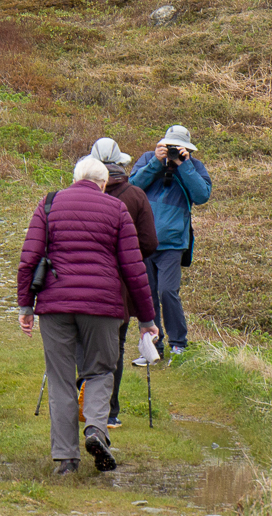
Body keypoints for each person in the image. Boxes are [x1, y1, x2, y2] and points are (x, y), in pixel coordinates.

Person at [18, 157, 159, 475]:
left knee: (61, 379)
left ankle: (66, 459)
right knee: (100, 371)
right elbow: (134, 269)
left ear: (75, 177)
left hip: (55, 305)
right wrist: (147, 320)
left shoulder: (50, 203)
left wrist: (27, 306)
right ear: (104, 182)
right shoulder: (116, 209)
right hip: (103, 305)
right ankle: (96, 429)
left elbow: (29, 259)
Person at [82, 138, 157, 429]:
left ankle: (85, 406)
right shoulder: (136, 195)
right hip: (122, 287)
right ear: (122, 165)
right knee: (115, 348)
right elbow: (150, 243)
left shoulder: (78, 195)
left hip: (85, 281)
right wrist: (127, 253)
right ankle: (109, 414)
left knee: (84, 345)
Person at [129, 125, 212, 360]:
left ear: (187, 149)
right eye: (171, 147)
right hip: (144, 241)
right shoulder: (148, 159)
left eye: (180, 148)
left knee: (167, 292)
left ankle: (178, 342)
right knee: (147, 295)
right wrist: (156, 162)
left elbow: (201, 195)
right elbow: (133, 187)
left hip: (173, 243)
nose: (175, 151)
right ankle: (153, 345)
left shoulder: (194, 166)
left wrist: (183, 166)